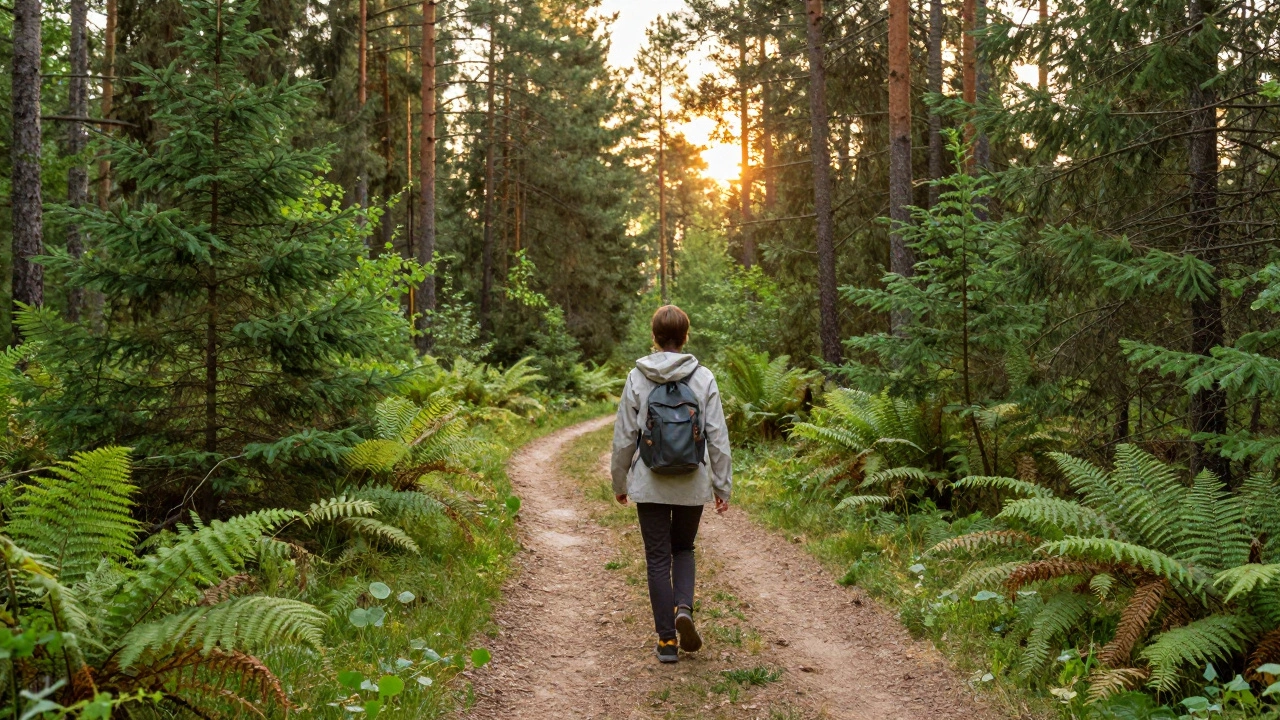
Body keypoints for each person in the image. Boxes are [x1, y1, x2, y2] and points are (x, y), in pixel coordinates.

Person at [610, 305, 732, 664]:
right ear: (685, 336)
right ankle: (684, 608)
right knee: (684, 549)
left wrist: (620, 480)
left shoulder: (638, 376)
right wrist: (722, 487)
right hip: (692, 482)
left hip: (650, 482)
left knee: (657, 557)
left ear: (654, 336)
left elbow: (624, 437)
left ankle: (666, 641)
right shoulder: (704, 377)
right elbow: (718, 437)